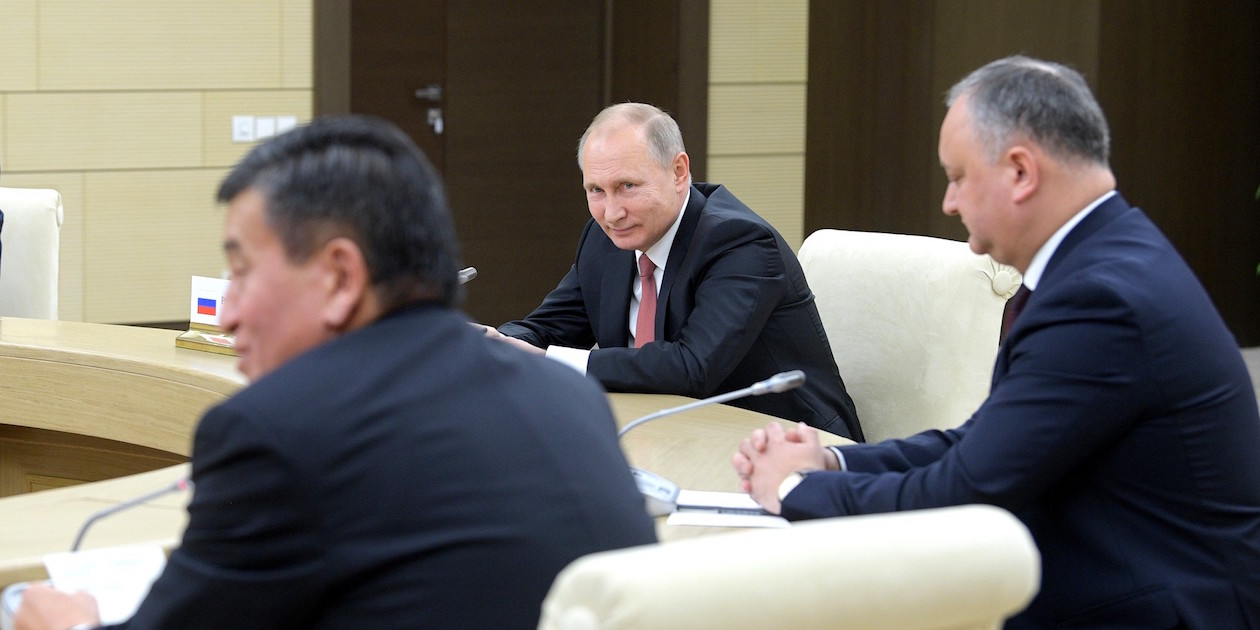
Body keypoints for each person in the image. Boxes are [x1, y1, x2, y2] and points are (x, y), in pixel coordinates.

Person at [16, 116, 656, 630]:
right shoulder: (567, 395)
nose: (229, 314)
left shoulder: (275, 435)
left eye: (241, 272)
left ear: (341, 277)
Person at [733, 56, 1260, 627]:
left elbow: (970, 489)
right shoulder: (1109, 255)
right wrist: (834, 461)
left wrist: (793, 490)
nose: (948, 202)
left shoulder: (1101, 300)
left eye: (957, 177)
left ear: (1020, 172)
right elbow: (983, 443)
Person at [484, 103, 863, 440]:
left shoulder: (740, 242)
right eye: (596, 190)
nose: (611, 213)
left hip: (788, 444)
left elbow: (692, 368)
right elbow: (548, 329)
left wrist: (546, 359)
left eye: (627, 186)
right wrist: (489, 344)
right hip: (668, 435)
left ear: (679, 171)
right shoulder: (607, 239)